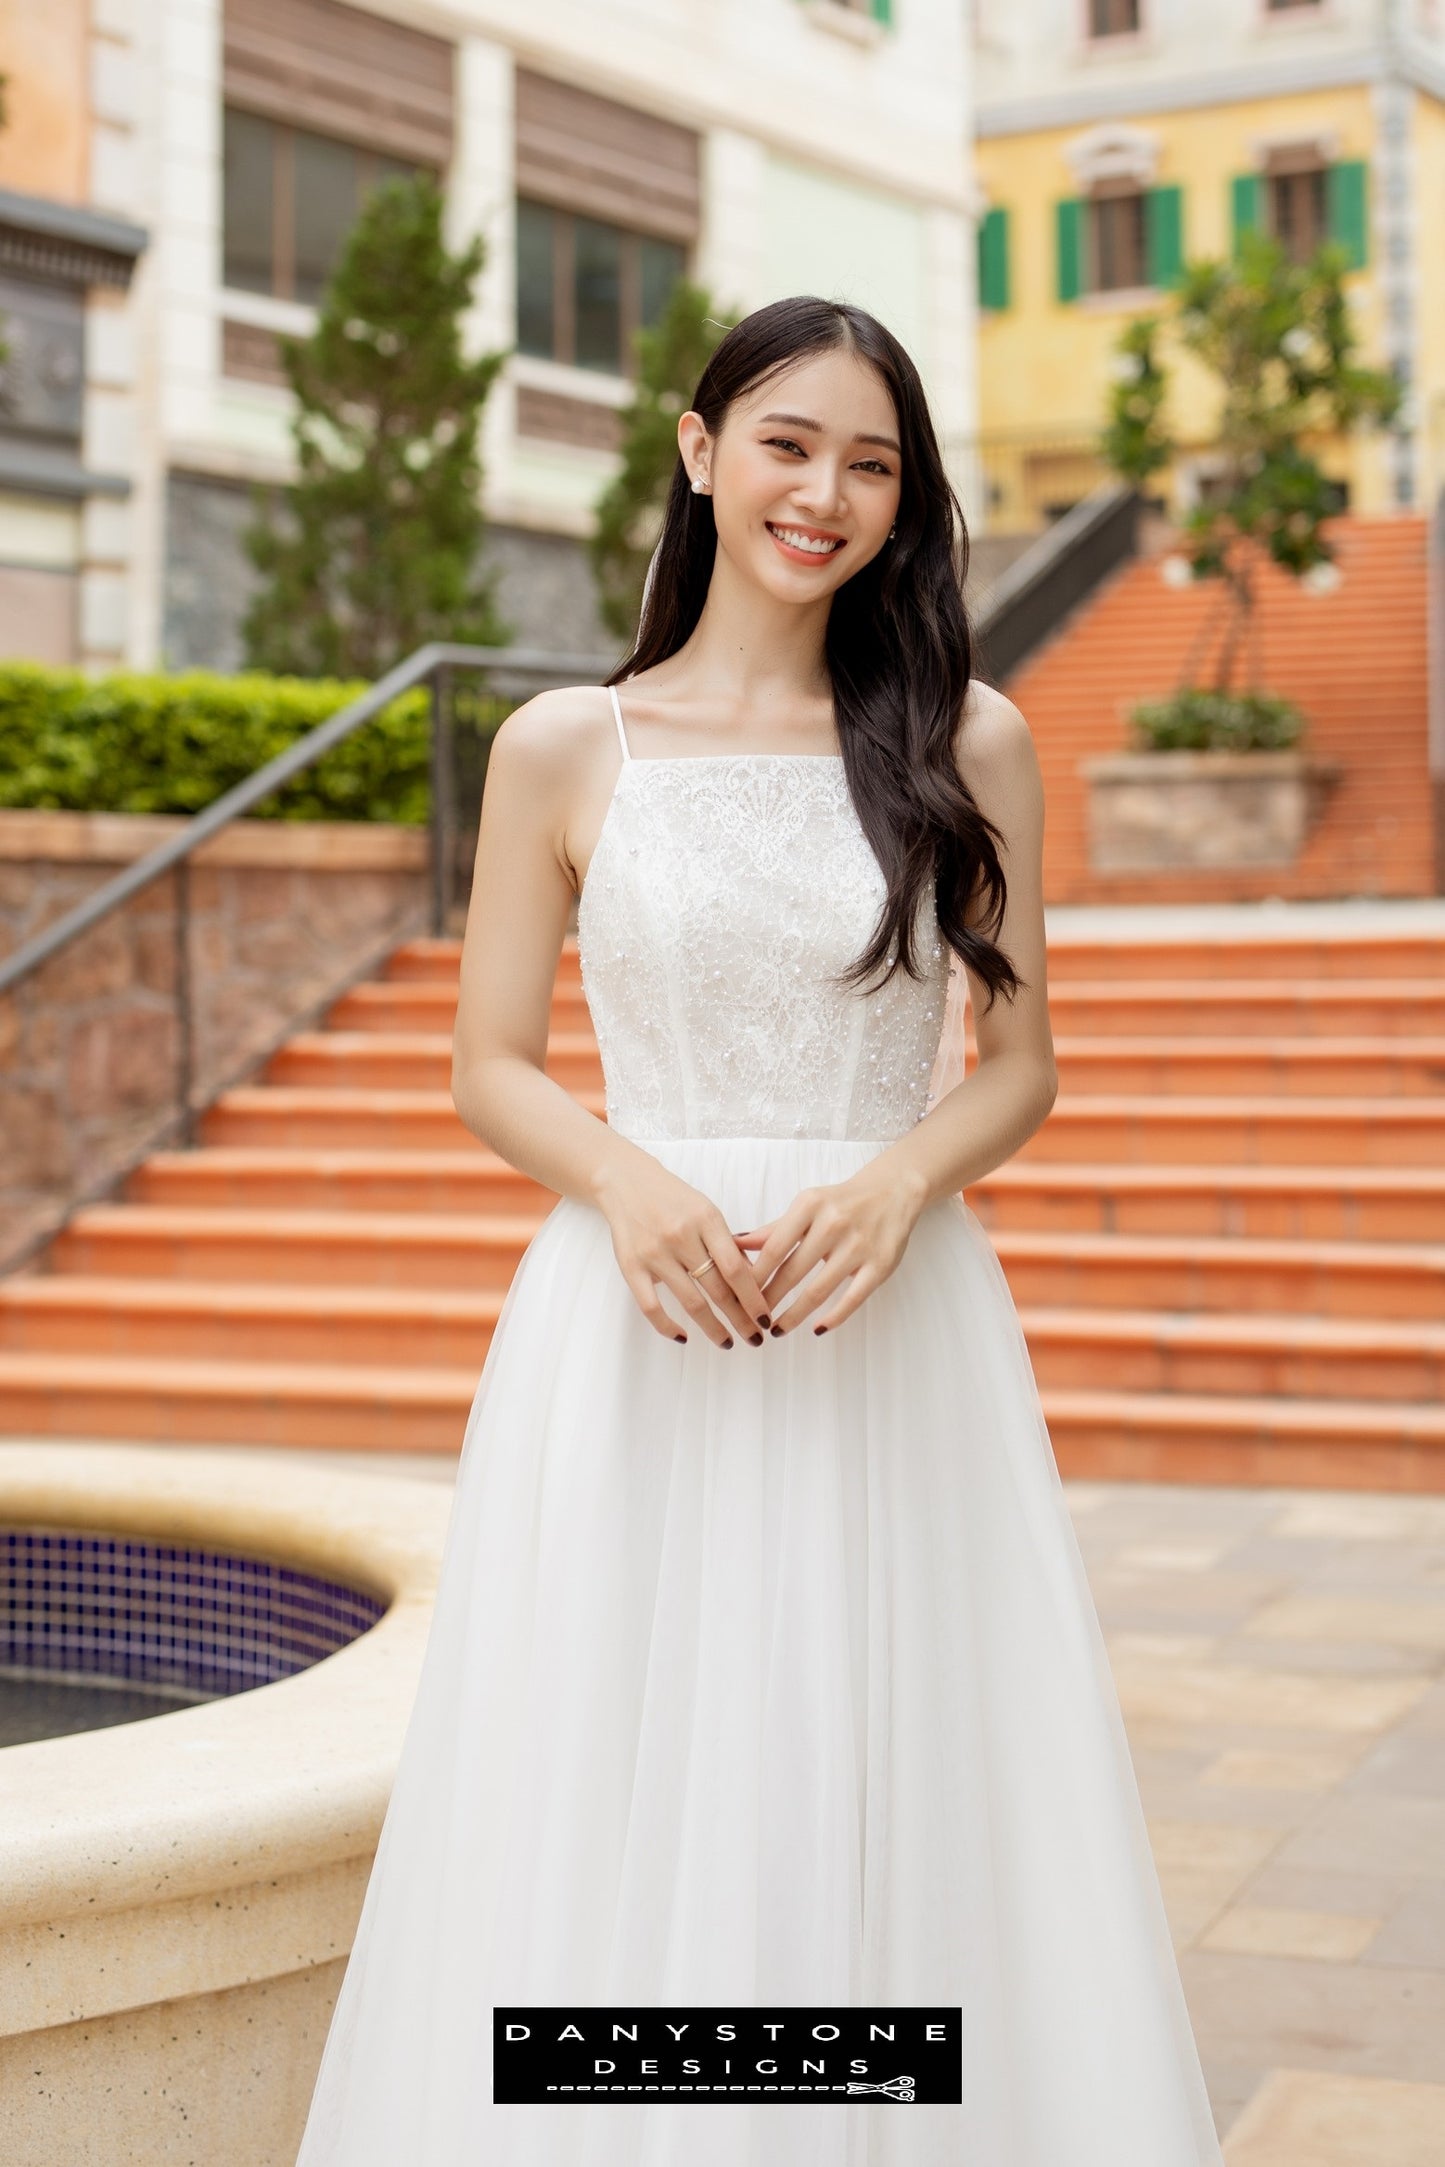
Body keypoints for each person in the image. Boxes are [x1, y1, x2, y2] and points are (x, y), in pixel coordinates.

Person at [293, 295, 1225, 2166]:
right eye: (789, 443)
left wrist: (900, 1175)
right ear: (700, 452)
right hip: (629, 1329)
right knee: (609, 1760)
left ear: (907, 504)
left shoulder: (970, 737)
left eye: (872, 464)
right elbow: (489, 1063)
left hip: (886, 1323)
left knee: (874, 1757)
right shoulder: (567, 744)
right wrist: (630, 1179)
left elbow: (1020, 1063)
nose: (826, 493)